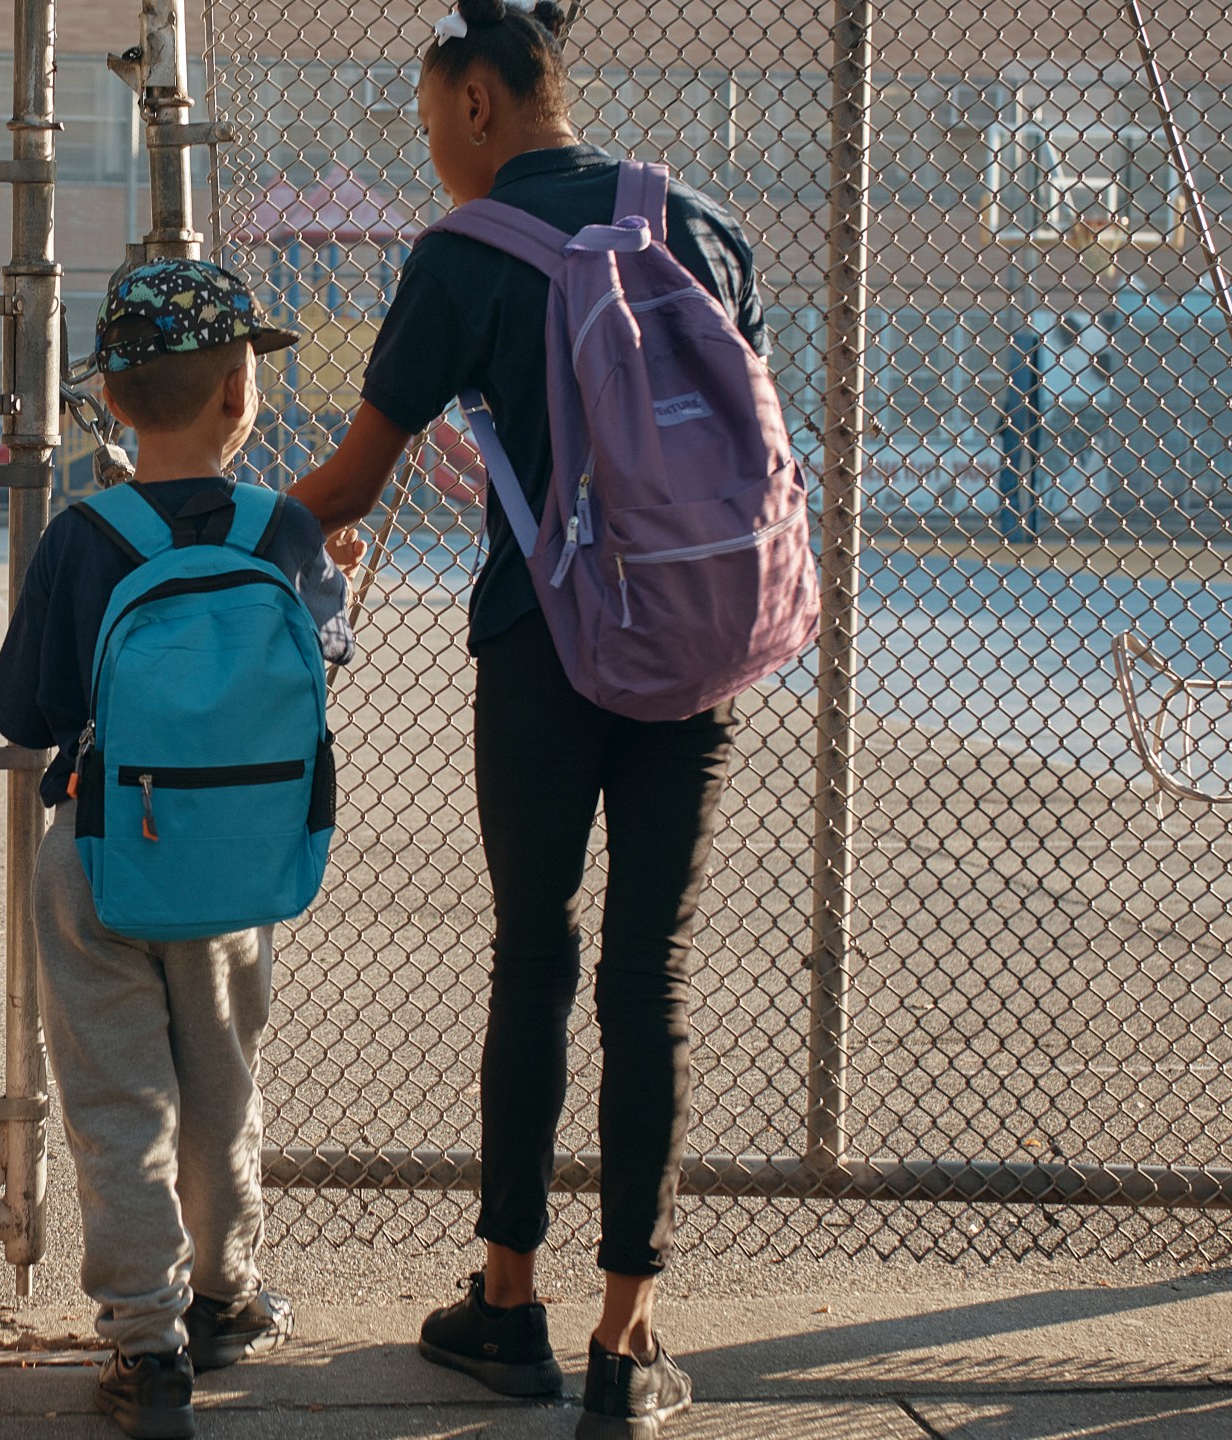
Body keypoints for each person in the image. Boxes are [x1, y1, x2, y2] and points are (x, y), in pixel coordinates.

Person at [287, 4, 765, 1436]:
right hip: (694, 643)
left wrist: (197, 525)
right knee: (649, 981)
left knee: (535, 958)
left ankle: (508, 1302)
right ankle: (630, 1338)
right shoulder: (700, 222)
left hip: (545, 647)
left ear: (482, 103)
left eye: (432, 119)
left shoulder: (466, 249)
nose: (431, 146)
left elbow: (355, 483)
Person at [0, 258, 353, 1440]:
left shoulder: (80, 537)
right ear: (239, 397)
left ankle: (144, 1349)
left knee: (113, 1102)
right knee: (220, 1085)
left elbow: (32, 708)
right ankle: (225, 1294)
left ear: (110, 400)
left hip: (96, 852)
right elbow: (314, 668)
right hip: (234, 872)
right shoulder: (286, 530)